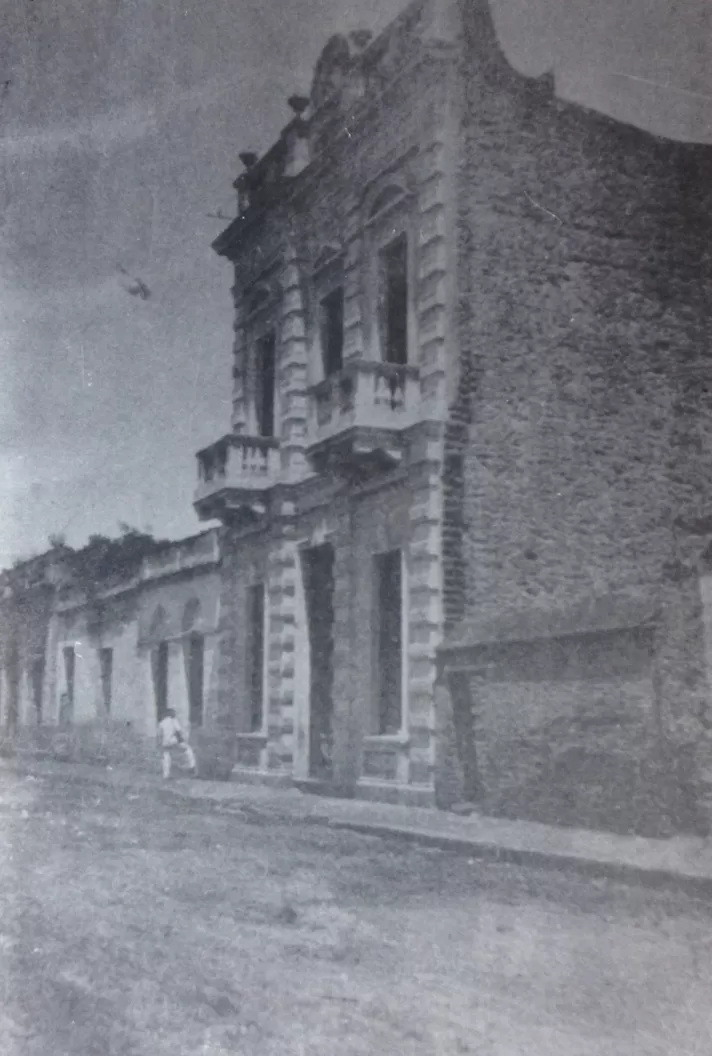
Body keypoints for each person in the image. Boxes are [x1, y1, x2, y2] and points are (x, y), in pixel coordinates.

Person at [157, 708, 197, 779]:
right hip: (173, 741)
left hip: (165, 743)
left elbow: (159, 735)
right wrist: (182, 740)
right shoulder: (173, 721)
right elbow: (179, 731)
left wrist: (160, 745)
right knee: (188, 750)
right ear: (171, 714)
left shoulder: (161, 723)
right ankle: (191, 767)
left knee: (166, 756)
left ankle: (166, 775)